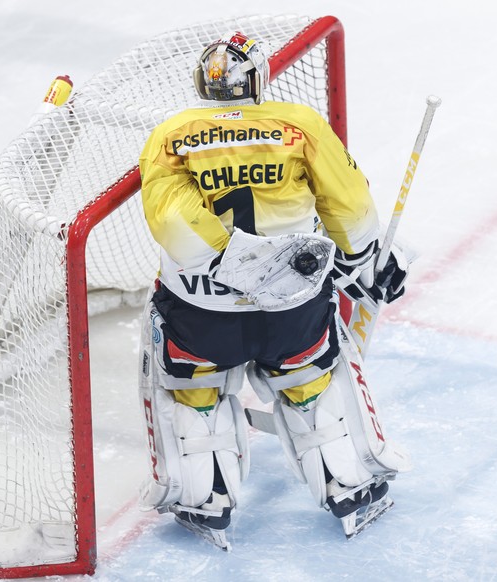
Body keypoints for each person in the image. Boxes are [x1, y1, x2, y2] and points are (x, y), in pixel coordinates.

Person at [136, 31, 410, 550]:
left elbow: (170, 218)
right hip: (292, 305)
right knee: (310, 383)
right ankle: (350, 488)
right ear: (259, 77)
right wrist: (361, 259)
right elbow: (348, 203)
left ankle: (206, 502)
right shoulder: (297, 124)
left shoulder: (170, 134)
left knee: (195, 396)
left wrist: (233, 262)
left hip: (202, 307)